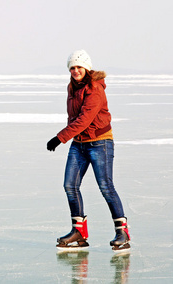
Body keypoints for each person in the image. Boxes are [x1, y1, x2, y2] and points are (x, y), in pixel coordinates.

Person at [47, 49, 130, 252]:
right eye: (72, 67)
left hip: (99, 142)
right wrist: (69, 136)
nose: (75, 71)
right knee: (70, 185)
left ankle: (122, 233)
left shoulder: (95, 89)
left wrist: (60, 138)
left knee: (105, 186)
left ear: (87, 68)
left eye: (79, 67)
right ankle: (79, 232)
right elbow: (73, 117)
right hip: (79, 143)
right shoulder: (72, 87)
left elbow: (85, 119)